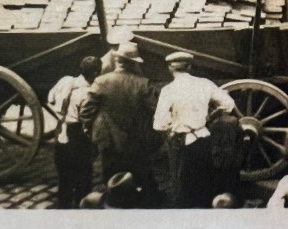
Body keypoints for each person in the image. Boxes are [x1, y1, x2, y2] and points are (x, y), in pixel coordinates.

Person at [80, 42, 162, 207]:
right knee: (142, 176)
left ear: (117, 61)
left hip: (108, 141)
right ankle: (147, 206)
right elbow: (157, 110)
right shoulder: (143, 83)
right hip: (137, 141)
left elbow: (86, 111)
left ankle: (115, 207)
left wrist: (90, 131)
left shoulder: (100, 81)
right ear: (133, 63)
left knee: (112, 179)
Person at [153, 51, 237, 208]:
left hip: (180, 143)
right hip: (203, 138)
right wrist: (210, 116)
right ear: (190, 67)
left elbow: (158, 124)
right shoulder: (205, 83)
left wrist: (171, 127)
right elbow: (228, 104)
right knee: (205, 184)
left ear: (170, 69)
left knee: (182, 187)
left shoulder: (168, 90)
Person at [48, 56, 103, 208]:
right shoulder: (88, 93)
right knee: (83, 175)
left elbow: (50, 97)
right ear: (95, 73)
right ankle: (82, 208)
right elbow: (87, 119)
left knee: (64, 174)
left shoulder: (66, 81)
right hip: (78, 134)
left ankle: (63, 205)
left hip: (61, 130)